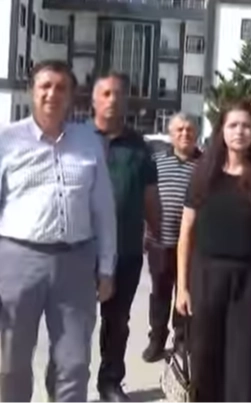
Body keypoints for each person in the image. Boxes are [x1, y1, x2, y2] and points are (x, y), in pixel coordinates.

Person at [0, 60, 116, 403]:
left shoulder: (89, 142)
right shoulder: (7, 141)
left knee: (74, 363)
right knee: (10, 362)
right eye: (45, 86)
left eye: (61, 87)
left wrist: (106, 268)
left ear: (71, 96)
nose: (52, 94)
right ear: (31, 91)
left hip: (75, 264)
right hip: (17, 262)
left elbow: (103, 210)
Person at [174, 101, 251, 403]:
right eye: (233, 125)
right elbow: (186, 235)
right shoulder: (203, 174)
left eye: (246, 126)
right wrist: (182, 287)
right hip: (206, 277)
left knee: (244, 360)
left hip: (250, 279)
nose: (240, 131)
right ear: (221, 130)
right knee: (205, 356)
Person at [92, 72, 161, 402]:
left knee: (117, 321)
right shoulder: (75, 139)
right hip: (78, 250)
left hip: (126, 250)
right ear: (94, 100)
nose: (112, 99)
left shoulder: (140, 147)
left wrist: (157, 232)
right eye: (105, 93)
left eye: (119, 94)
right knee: (70, 323)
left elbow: (150, 197)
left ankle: (110, 382)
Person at [142, 112, 202, 363]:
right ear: (170, 134)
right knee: (160, 293)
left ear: (197, 133)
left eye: (189, 129)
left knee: (185, 292)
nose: (185, 134)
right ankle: (157, 339)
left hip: (192, 245)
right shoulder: (156, 162)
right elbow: (145, 196)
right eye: (179, 129)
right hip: (160, 241)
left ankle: (182, 339)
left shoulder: (205, 164)